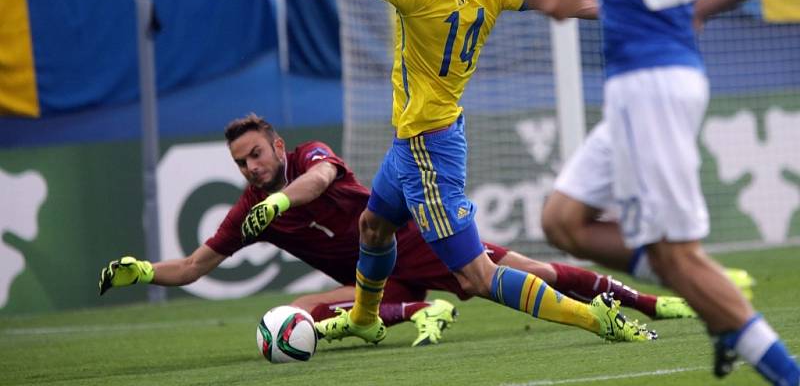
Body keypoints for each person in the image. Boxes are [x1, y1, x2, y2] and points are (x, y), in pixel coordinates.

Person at [270, 0, 658, 347]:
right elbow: (567, 1)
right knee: (372, 227)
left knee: (477, 275)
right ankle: (363, 316)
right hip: (415, 143)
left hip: (426, 151)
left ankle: (596, 317)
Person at [481, 0, 798, 384]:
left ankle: (780, 366)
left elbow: (561, 3)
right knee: (563, 220)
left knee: (678, 255)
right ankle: (711, 300)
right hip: (666, 80)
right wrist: (698, 11)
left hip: (647, 90)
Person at [99, 114, 692, 348]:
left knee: (529, 271)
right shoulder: (247, 209)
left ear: (276, 147)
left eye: (256, 155)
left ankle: (648, 301)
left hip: (420, 241)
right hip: (374, 281)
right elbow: (196, 265)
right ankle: (415, 313)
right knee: (299, 309)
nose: (251, 167)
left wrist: (275, 200)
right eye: (242, 164)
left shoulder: (306, 160)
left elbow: (322, 177)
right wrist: (146, 271)